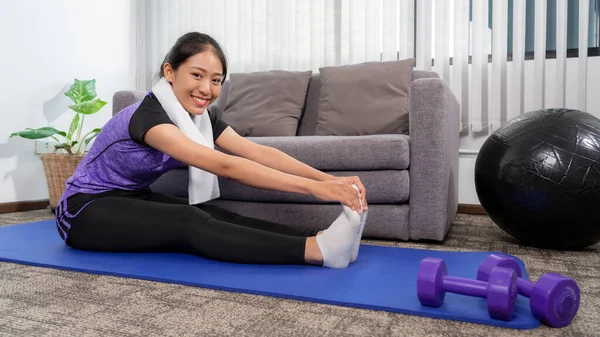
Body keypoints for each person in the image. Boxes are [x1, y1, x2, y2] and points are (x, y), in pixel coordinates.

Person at [55, 32, 368, 269]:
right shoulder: (149, 116)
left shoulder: (203, 117)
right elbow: (226, 166)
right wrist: (318, 190)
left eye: (216, 80)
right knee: (189, 221)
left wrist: (329, 180)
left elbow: (257, 153)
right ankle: (316, 251)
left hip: (128, 197)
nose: (206, 89)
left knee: (213, 213)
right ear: (169, 72)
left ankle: (320, 235)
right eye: (197, 75)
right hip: (82, 210)